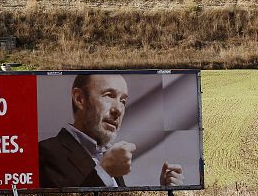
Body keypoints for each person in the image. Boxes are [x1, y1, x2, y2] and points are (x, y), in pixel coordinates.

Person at [38, 74, 183, 189]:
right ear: (79, 99)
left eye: (123, 101)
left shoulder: (107, 156)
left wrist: (166, 192)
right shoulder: (44, 152)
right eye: (109, 95)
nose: (118, 110)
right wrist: (104, 172)